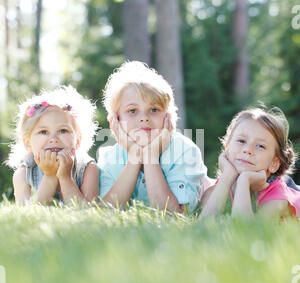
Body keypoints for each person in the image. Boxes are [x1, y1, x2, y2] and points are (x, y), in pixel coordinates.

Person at [98, 61, 210, 213]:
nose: (144, 118)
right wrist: (134, 158)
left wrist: (151, 156)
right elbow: (105, 212)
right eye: (132, 111)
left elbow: (175, 215)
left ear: (168, 117)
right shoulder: (109, 157)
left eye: (154, 110)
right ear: (115, 121)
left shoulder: (185, 151)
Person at [200, 106, 300, 219]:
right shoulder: (215, 192)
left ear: (274, 164)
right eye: (241, 141)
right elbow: (203, 228)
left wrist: (244, 181)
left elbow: (245, 231)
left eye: (260, 146)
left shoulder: (278, 199)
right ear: (227, 149)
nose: (247, 150)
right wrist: (227, 176)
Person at [7, 86, 99, 204]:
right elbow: (29, 214)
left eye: (63, 131)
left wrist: (65, 177)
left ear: (77, 141)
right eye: (43, 132)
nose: (53, 139)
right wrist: (50, 176)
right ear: (28, 143)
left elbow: (86, 211)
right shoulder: (23, 174)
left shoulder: (88, 168)